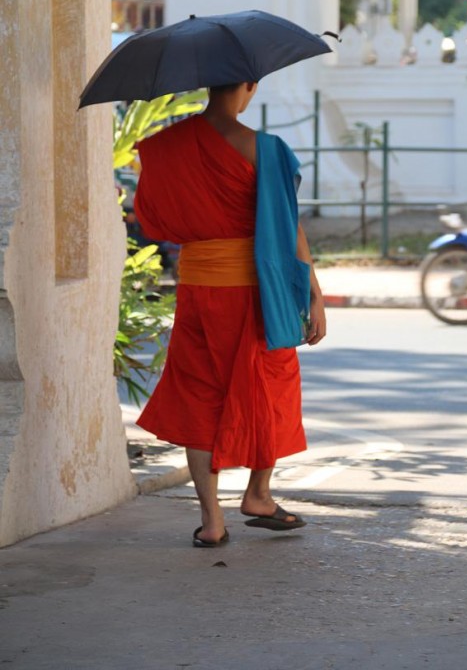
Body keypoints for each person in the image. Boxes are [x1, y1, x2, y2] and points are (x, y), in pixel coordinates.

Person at [134, 81, 326, 547]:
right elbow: (288, 225)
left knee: (199, 392)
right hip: (257, 292)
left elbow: (151, 219)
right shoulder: (267, 149)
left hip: (198, 288)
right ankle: (259, 494)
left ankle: (211, 520)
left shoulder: (165, 147)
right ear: (250, 85)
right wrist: (314, 293)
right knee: (272, 385)